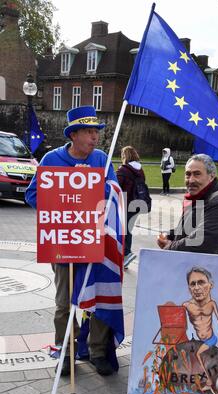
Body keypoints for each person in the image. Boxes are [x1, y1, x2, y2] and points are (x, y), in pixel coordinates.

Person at [25, 105, 122, 377]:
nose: (95, 137)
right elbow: (32, 196)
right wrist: (65, 197)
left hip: (95, 242)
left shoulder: (102, 159)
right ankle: (66, 353)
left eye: (97, 132)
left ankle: (97, 352)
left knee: (97, 300)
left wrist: (94, 189)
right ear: (74, 135)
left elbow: (114, 197)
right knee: (64, 303)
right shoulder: (50, 161)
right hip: (64, 243)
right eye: (90, 132)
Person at [157, 153, 218, 253]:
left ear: (211, 176)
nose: (191, 180)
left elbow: (201, 240)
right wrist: (168, 235)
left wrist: (171, 246)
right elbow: (187, 229)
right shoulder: (195, 198)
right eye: (188, 174)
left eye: (197, 174)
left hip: (210, 267)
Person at [183, 267, 218, 391]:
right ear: (189, 288)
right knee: (195, 354)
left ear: (211, 285)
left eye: (201, 282)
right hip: (199, 340)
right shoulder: (187, 305)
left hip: (211, 338)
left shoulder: (212, 304)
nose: (197, 287)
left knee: (199, 354)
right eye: (193, 284)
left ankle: (209, 382)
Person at [116, 146, 146, 269]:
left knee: (123, 231)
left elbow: (116, 186)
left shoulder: (123, 170)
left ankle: (126, 254)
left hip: (125, 204)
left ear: (125, 156)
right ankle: (125, 256)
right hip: (137, 204)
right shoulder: (140, 170)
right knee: (128, 230)